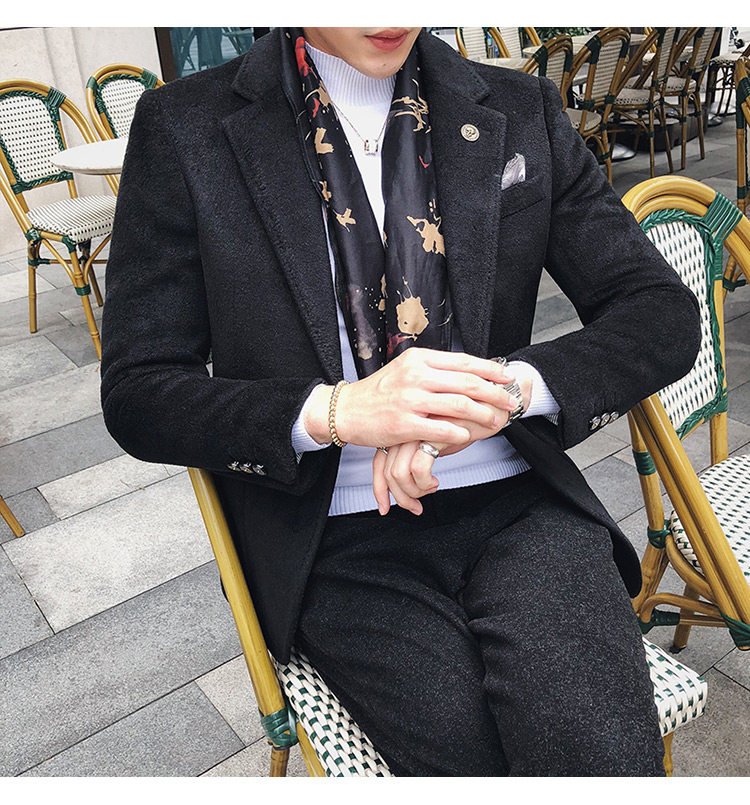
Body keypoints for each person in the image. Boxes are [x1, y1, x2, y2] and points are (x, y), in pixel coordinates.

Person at [101, 27, 701, 776]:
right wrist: (340, 412)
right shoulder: (186, 128)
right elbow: (140, 389)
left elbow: (658, 312)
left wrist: (499, 390)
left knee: (596, 750)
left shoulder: (518, 107)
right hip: (332, 532)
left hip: (518, 500)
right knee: (468, 762)